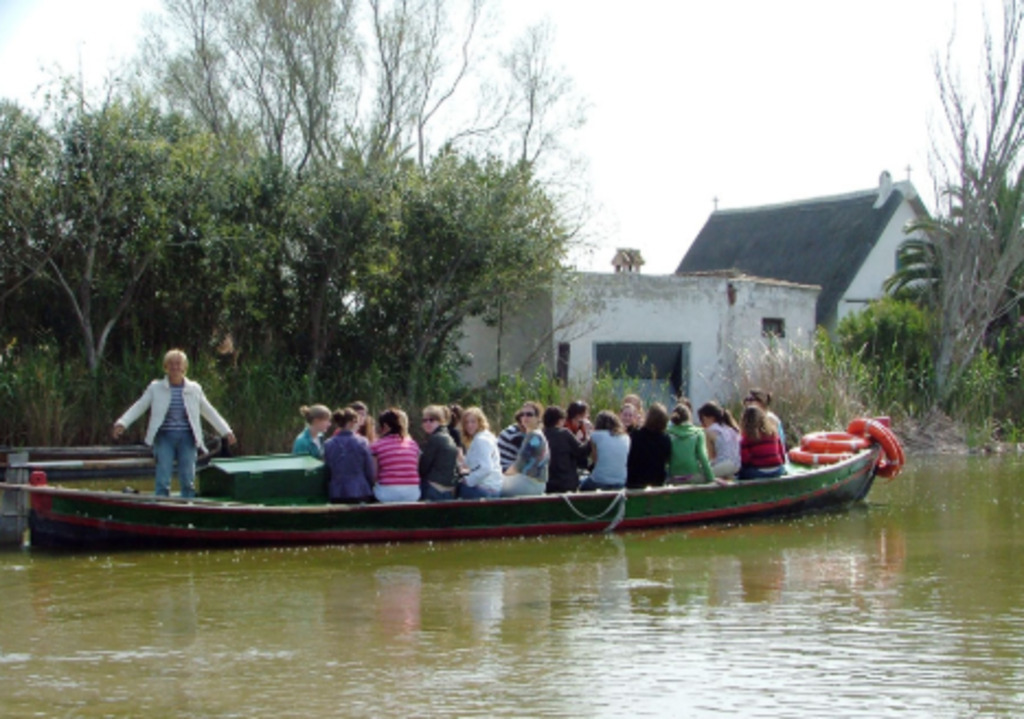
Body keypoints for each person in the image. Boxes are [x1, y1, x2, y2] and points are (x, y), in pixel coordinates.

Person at [112, 349, 236, 497]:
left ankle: (188, 503)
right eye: (171, 364)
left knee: (188, 478)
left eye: (178, 364)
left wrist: (226, 431)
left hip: (188, 437)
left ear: (184, 367)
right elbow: (139, 406)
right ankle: (161, 502)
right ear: (166, 367)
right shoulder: (155, 388)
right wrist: (122, 423)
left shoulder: (194, 389)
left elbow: (209, 411)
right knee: (163, 477)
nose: (175, 367)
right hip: (164, 436)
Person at [323, 407, 375, 503]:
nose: (359, 426)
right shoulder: (362, 442)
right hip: (360, 490)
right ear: (351, 423)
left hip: (336, 492)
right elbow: (369, 469)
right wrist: (371, 486)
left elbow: (327, 470)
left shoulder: (328, 444)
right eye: (357, 422)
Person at [370, 408, 421, 503]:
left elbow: (374, 474)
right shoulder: (413, 444)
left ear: (385, 426)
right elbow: (416, 469)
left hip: (387, 493)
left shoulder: (377, 446)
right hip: (412, 493)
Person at [501, 401, 549, 497]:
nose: (525, 417)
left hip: (529, 484)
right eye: (522, 414)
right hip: (536, 484)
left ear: (538, 418)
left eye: (529, 414)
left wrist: (504, 475)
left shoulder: (533, 437)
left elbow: (518, 466)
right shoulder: (538, 434)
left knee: (494, 486)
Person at [543, 405, 590, 494]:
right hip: (566, 484)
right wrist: (589, 436)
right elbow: (582, 451)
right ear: (559, 420)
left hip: (547, 485)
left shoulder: (541, 435)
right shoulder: (564, 433)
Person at [458, 407, 503, 499]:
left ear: (480, 422)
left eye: (473, 422)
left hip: (486, 490)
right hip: (492, 488)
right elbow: (474, 463)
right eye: (466, 422)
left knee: (454, 488)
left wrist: (468, 480)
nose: (469, 425)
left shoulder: (481, 440)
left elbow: (486, 468)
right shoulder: (484, 437)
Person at [626, 402, 672, 489]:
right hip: (657, 484)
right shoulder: (666, 439)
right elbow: (667, 459)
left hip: (635, 483)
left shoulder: (636, 435)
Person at [580, 410, 630, 491]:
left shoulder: (595, 436)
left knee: (581, 483)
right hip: (621, 481)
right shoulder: (626, 437)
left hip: (599, 481)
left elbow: (595, 460)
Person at [418, 404, 459, 501]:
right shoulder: (449, 437)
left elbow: (423, 468)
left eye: (431, 420)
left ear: (441, 421)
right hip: (448, 491)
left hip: (434, 489)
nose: (427, 423)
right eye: (424, 420)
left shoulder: (435, 439)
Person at [666, 403, 714, 484]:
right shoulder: (698, 432)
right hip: (693, 476)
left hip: (674, 477)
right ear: (689, 416)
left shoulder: (667, 433)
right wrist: (711, 478)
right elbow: (703, 457)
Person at [738, 405, 787, 480]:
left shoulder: (746, 437)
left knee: (741, 473)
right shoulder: (773, 433)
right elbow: (782, 454)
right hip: (778, 470)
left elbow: (745, 460)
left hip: (757, 472)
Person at [696, 401, 741, 479]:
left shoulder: (709, 431)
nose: (702, 423)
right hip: (737, 464)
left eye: (703, 419)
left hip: (725, 464)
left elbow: (710, 458)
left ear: (711, 418)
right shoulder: (730, 429)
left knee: (698, 477)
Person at [744, 388, 787, 455]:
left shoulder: (769, 418)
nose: (748, 402)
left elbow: (778, 443)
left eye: (751, 399)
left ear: (761, 402)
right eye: (747, 399)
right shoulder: (752, 418)